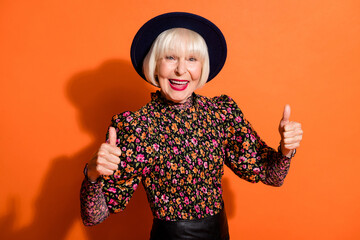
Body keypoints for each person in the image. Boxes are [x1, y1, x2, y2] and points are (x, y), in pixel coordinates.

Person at [80, 12, 303, 240]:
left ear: (202, 67)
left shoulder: (220, 114)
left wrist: (286, 150)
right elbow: (94, 216)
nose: (180, 70)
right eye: (170, 57)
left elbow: (273, 176)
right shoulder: (136, 127)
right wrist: (93, 173)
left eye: (192, 59)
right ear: (154, 64)